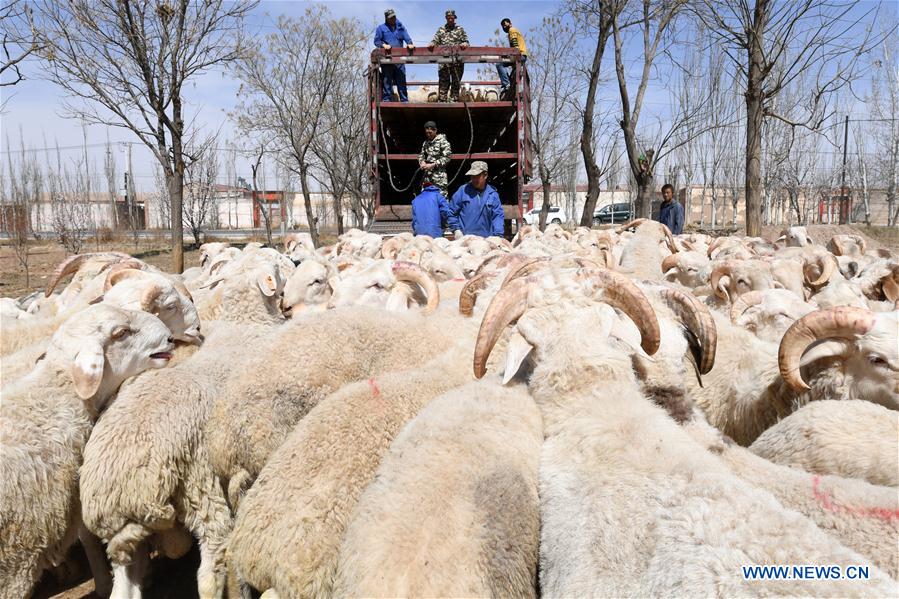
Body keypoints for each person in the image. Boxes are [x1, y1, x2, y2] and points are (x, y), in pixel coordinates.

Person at [449, 161, 504, 237]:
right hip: (465, 240)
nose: (474, 179)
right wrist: (456, 230)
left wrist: (498, 234)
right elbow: (451, 212)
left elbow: (497, 216)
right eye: (472, 176)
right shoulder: (463, 191)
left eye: (477, 176)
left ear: (485, 175)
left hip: (485, 241)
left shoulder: (493, 195)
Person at [374, 9, 414, 102]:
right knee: (386, 79)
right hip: (387, 59)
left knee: (401, 79)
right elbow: (376, 41)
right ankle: (387, 99)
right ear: (386, 18)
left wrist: (409, 43)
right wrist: (383, 45)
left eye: (394, 16)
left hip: (399, 59)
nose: (393, 19)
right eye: (391, 17)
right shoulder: (381, 28)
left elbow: (407, 37)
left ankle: (404, 99)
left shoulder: (400, 27)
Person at [428, 10, 469, 102]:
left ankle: (454, 100)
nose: (450, 19)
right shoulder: (441, 30)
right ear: (446, 18)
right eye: (448, 18)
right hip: (444, 62)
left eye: (452, 17)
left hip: (457, 61)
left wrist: (464, 44)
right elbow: (435, 41)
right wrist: (432, 43)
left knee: (456, 83)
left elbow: (466, 41)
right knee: (443, 83)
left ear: (454, 18)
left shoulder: (460, 29)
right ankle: (442, 101)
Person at [495, 18, 527, 100]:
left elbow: (514, 43)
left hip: (519, 55)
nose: (504, 27)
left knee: (499, 64)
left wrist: (514, 54)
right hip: (521, 55)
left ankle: (506, 85)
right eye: (503, 26)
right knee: (515, 74)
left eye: (505, 25)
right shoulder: (513, 31)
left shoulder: (512, 30)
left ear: (510, 24)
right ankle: (515, 89)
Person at [418, 120, 452, 199]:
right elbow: (421, 155)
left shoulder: (443, 141)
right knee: (426, 198)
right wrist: (422, 162)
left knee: (441, 199)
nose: (428, 134)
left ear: (435, 130)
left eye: (430, 132)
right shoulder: (425, 143)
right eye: (427, 133)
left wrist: (433, 164)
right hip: (427, 177)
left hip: (439, 177)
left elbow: (447, 157)